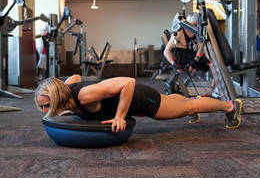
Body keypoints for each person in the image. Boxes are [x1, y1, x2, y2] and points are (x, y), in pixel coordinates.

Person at [35, 74, 242, 133]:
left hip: (140, 98)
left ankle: (230, 106)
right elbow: (75, 76)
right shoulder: (67, 90)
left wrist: (119, 116)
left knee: (188, 108)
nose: (45, 110)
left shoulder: (84, 96)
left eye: (47, 105)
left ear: (58, 97)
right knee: (180, 102)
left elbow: (128, 82)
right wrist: (67, 109)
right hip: (133, 100)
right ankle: (190, 100)